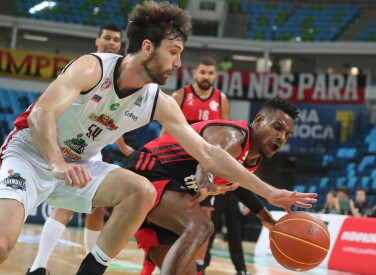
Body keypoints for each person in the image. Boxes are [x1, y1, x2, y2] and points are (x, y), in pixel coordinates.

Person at [0, 2, 316, 275]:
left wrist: (270, 193)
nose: (179, 63)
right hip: (31, 156)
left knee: (141, 190)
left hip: (80, 164)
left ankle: (91, 269)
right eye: (174, 52)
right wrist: (56, 163)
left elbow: (208, 153)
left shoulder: (157, 101)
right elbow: (41, 113)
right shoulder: (92, 68)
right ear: (148, 47)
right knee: (3, 244)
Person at [122, 97, 318, 275]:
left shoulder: (251, 160)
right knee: (201, 227)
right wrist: (204, 180)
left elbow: (239, 185)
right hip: (147, 170)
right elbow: (210, 159)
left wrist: (267, 219)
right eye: (277, 127)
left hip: (170, 191)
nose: (281, 137)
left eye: (287, 134)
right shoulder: (233, 135)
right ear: (258, 120)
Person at [26, 23, 135, 275]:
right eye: (106, 38)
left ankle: (87, 265)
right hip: (66, 143)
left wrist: (122, 145)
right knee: (65, 207)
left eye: (116, 40)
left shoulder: (121, 77)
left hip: (91, 147)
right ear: (97, 40)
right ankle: (38, 265)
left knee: (97, 209)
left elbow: (114, 120)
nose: (111, 43)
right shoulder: (86, 67)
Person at [143, 56, 229, 275]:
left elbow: (225, 136)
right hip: (177, 162)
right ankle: (149, 266)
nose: (206, 76)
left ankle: (198, 269)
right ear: (195, 74)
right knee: (164, 218)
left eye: (210, 73)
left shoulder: (221, 99)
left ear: (215, 75)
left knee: (206, 218)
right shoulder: (181, 95)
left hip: (204, 166)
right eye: (203, 72)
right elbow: (166, 131)